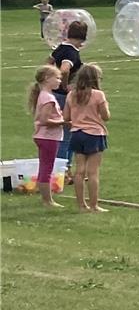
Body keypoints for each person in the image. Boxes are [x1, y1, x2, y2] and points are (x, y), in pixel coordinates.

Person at [65, 63, 110, 213]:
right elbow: (106, 116)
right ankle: (94, 205)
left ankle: (81, 205)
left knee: (79, 171)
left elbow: (66, 117)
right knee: (93, 172)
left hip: (77, 133)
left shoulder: (72, 94)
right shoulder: (98, 95)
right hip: (95, 134)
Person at [48, 20, 87, 180]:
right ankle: (63, 171)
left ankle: (64, 169)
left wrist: (49, 81)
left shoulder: (60, 48)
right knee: (67, 134)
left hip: (54, 93)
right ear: (83, 37)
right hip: (63, 96)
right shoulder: (71, 52)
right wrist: (64, 85)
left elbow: (48, 62)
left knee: (62, 133)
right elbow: (65, 70)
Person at [27, 65, 66, 209]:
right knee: (47, 169)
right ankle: (47, 200)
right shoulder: (48, 98)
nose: (59, 81)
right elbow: (44, 120)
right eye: (57, 78)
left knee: (45, 167)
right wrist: (63, 122)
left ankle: (46, 197)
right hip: (48, 137)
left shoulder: (44, 95)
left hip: (44, 136)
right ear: (46, 79)